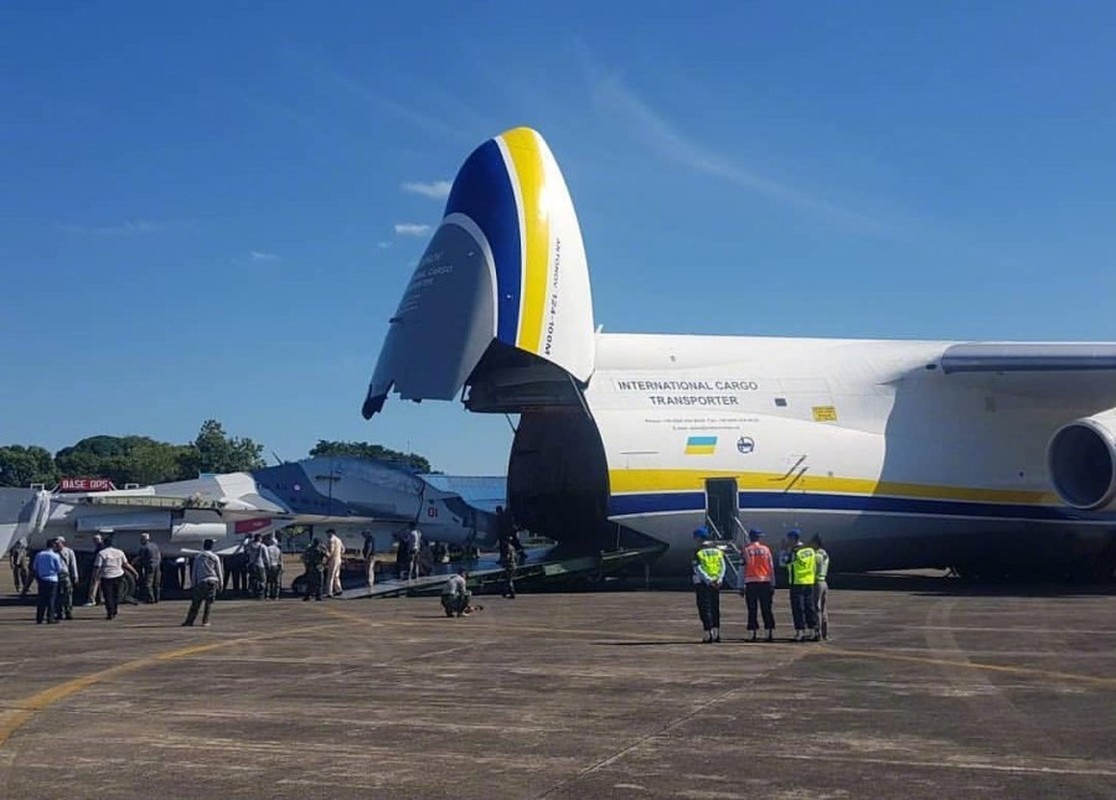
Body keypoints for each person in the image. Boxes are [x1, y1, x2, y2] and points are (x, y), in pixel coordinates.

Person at [783, 530, 819, 642]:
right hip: (809, 581)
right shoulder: (810, 550)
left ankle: (800, 632)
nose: (787, 541)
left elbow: (784, 562)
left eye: (789, 539)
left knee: (798, 609)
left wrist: (784, 552)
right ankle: (813, 631)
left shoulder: (794, 552)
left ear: (794, 539)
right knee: (810, 607)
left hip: (797, 583)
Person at [740, 528, 776, 642]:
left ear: (750, 538)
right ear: (759, 538)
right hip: (765, 581)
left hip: (751, 582)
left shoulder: (746, 550)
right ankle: (769, 632)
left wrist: (740, 585)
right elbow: (771, 567)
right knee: (767, 608)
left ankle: (752, 633)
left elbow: (742, 568)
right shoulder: (766, 550)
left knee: (752, 609)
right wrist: (773, 583)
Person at [692, 527, 726, 643]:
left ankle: (708, 634)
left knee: (705, 608)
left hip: (703, 583)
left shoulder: (698, 552)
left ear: (699, 538)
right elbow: (722, 566)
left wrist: (708, 580)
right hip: (716, 582)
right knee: (715, 608)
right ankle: (717, 634)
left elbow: (698, 569)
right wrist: (719, 579)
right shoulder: (717, 551)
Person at [93, 535, 137, 621]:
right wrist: (134, 572)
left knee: (108, 595)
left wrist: (95, 577)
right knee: (116, 594)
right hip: (118, 575)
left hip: (107, 576)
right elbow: (125, 564)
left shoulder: (102, 553)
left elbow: (97, 566)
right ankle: (115, 609)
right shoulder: (120, 552)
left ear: (104, 544)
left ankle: (110, 612)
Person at [182, 538, 224, 627]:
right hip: (212, 580)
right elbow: (219, 571)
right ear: (212, 546)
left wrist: (193, 583)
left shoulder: (198, 557)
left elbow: (194, 571)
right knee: (209, 603)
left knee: (196, 602)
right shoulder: (215, 557)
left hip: (201, 581)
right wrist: (221, 583)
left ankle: (189, 621)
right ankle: (205, 621)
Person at [32, 539, 64, 624]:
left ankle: (39, 618)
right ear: (53, 546)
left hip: (42, 579)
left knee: (41, 599)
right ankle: (50, 618)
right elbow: (59, 569)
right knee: (51, 599)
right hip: (53, 579)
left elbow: (35, 567)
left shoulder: (39, 554)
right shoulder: (55, 556)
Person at [811, 535, 831, 641]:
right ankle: (825, 633)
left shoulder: (816, 555)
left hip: (817, 582)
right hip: (824, 582)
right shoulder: (825, 554)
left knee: (816, 608)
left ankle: (817, 633)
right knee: (823, 609)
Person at [55, 536, 79, 621]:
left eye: (59, 543)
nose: (57, 545)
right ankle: (59, 612)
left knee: (68, 594)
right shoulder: (54, 553)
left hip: (66, 575)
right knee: (58, 595)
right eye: (56, 543)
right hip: (56, 575)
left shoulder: (69, 551)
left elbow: (73, 564)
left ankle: (68, 611)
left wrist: (75, 576)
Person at [134, 533, 162, 604]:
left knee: (148, 583)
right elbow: (159, 555)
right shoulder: (155, 545)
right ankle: (157, 598)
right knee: (156, 583)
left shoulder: (144, 548)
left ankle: (150, 598)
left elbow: (139, 557)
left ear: (144, 540)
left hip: (149, 566)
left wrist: (132, 562)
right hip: (157, 565)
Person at [301, 537, 327, 601]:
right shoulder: (320, 550)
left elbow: (303, 557)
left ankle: (307, 596)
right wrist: (325, 547)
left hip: (311, 566)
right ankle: (319, 596)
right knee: (320, 582)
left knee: (310, 582)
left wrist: (306, 565)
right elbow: (327, 555)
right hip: (319, 566)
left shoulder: (309, 549)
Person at [83, 533, 105, 606]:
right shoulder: (100, 547)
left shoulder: (100, 548)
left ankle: (92, 600)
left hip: (98, 567)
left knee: (94, 583)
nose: (95, 541)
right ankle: (101, 599)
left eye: (96, 539)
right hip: (101, 567)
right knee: (100, 584)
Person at [499, 532, 519, 599]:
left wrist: (502, 560)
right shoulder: (512, 547)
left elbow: (507, 557)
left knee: (509, 580)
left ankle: (512, 593)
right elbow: (516, 557)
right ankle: (505, 593)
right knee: (508, 579)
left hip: (509, 565)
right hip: (513, 565)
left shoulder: (507, 548)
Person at [263, 534, 283, 600]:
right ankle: (276, 595)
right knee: (276, 581)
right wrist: (281, 567)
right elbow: (280, 559)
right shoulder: (278, 549)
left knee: (268, 581)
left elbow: (266, 557)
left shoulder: (267, 549)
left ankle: (267, 595)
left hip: (269, 565)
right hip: (276, 565)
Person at [325, 529, 345, 596]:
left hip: (333, 559)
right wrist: (339, 554)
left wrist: (326, 556)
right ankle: (338, 589)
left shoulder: (331, 540)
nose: (327, 535)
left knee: (330, 576)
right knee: (336, 575)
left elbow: (331, 551)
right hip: (338, 558)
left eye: (328, 533)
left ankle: (329, 592)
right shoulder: (339, 539)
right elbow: (343, 549)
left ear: (331, 533)